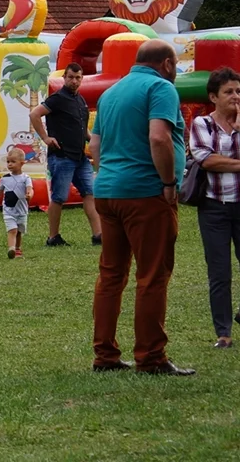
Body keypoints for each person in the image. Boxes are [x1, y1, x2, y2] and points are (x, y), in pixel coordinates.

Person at [89, 39, 192, 375]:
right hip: (146, 193)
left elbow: (95, 145)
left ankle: (105, 356)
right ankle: (151, 358)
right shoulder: (161, 88)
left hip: (108, 192)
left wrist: (110, 177)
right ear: (166, 64)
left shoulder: (110, 94)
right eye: (175, 65)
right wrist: (167, 183)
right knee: (152, 276)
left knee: (111, 275)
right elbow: (159, 137)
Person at [189, 67, 240, 349]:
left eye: (238, 91)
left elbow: (218, 160)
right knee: (219, 272)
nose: (235, 96)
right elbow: (207, 160)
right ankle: (224, 333)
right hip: (214, 207)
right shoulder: (202, 124)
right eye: (228, 92)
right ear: (213, 96)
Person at [30, 63, 102, 247]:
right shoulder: (57, 98)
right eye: (70, 77)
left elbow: (83, 129)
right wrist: (45, 138)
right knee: (59, 198)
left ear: (82, 78)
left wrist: (94, 139)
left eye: (78, 77)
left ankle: (98, 235)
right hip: (62, 157)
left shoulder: (80, 101)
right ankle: (53, 237)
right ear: (64, 77)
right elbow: (35, 114)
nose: (74, 81)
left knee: (89, 193)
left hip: (80, 157)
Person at [0, 148, 33, 259]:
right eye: (8, 162)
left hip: (22, 211)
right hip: (8, 210)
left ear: (22, 163)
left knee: (19, 231)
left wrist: (29, 194)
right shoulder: (5, 178)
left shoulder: (26, 178)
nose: (10, 164)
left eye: (13, 162)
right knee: (12, 230)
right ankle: (11, 249)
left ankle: (17, 249)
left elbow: (30, 189)